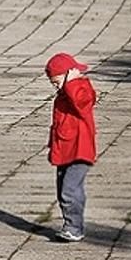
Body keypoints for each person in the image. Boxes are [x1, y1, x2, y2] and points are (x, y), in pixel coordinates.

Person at [45, 52, 97, 242]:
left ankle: (74, 227)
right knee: (63, 191)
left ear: (69, 74)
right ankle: (72, 224)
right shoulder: (62, 96)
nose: (55, 86)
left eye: (57, 81)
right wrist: (53, 148)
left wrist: (72, 82)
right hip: (65, 151)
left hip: (79, 151)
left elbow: (83, 103)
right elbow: (59, 126)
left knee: (70, 190)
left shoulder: (81, 89)